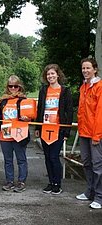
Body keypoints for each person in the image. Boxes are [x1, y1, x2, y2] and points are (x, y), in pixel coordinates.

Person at [35, 64, 73, 195]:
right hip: (45, 128)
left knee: (54, 157)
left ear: (58, 75)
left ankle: (57, 183)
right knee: (47, 156)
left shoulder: (65, 91)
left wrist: (67, 131)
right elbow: (40, 109)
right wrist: (37, 127)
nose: (50, 76)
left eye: (52, 73)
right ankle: (50, 182)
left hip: (58, 129)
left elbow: (69, 111)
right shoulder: (43, 90)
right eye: (48, 74)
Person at [76, 58, 102, 209]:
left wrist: (97, 135)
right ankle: (90, 191)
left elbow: (99, 113)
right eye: (83, 68)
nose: (85, 71)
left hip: (95, 134)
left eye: (88, 68)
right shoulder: (83, 87)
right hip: (84, 133)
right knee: (86, 162)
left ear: (95, 69)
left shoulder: (99, 87)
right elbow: (81, 112)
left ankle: (99, 196)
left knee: (98, 166)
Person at [0, 75, 31, 193]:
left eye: (15, 86)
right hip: (5, 133)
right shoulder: (3, 101)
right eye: (10, 86)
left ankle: (21, 181)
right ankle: (10, 181)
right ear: (7, 87)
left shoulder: (23, 100)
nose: (13, 88)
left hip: (19, 133)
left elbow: (30, 117)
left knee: (21, 159)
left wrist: (27, 119)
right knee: (8, 160)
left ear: (19, 87)